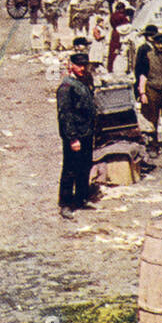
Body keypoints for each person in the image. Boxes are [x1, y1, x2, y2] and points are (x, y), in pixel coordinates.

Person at [56, 52, 97, 220]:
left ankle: (81, 198)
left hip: (87, 132)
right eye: (79, 65)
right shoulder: (66, 86)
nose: (82, 68)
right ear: (71, 65)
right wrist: (72, 138)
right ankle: (65, 204)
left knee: (85, 166)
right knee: (70, 169)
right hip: (75, 135)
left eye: (84, 65)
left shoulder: (85, 81)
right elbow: (65, 114)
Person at [135, 29, 162, 151]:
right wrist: (142, 93)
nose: (160, 45)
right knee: (152, 119)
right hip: (153, 89)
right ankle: (153, 145)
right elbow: (143, 75)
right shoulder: (147, 56)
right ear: (154, 43)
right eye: (158, 43)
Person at [106, 1, 132, 72]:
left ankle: (110, 68)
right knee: (121, 51)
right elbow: (126, 26)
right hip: (121, 34)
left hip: (115, 33)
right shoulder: (122, 16)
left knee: (112, 51)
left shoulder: (112, 16)